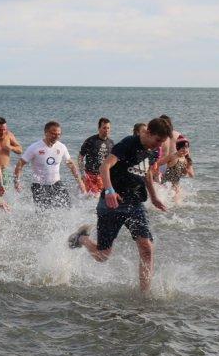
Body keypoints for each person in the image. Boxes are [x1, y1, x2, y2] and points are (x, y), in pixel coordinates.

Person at [67, 117, 173, 295]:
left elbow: (146, 172)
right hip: (111, 203)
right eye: (157, 140)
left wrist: (154, 197)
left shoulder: (154, 151)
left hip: (136, 204)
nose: (158, 146)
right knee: (102, 256)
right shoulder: (128, 144)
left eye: (162, 142)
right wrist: (109, 191)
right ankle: (81, 238)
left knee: (147, 248)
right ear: (147, 133)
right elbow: (104, 166)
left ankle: (144, 295)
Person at [14, 121, 86, 209]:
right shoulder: (35, 147)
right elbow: (20, 163)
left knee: (68, 208)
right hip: (39, 186)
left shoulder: (61, 147)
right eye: (53, 134)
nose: (56, 137)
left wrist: (80, 182)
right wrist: (17, 181)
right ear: (46, 133)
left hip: (56, 184)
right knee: (43, 213)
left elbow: (71, 165)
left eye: (59, 134)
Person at [78, 117, 114, 196]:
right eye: (104, 128)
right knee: (92, 197)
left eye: (108, 128)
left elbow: (112, 161)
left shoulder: (111, 143)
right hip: (90, 175)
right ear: (99, 128)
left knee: (103, 197)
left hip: (103, 176)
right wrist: (82, 173)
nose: (106, 130)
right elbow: (80, 157)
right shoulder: (91, 141)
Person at [161, 135, 195, 204]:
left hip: (176, 185)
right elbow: (159, 163)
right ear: (177, 148)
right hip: (166, 184)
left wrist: (186, 170)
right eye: (182, 148)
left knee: (178, 204)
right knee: (166, 203)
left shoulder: (187, 160)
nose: (185, 150)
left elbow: (192, 175)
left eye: (186, 148)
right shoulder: (172, 156)